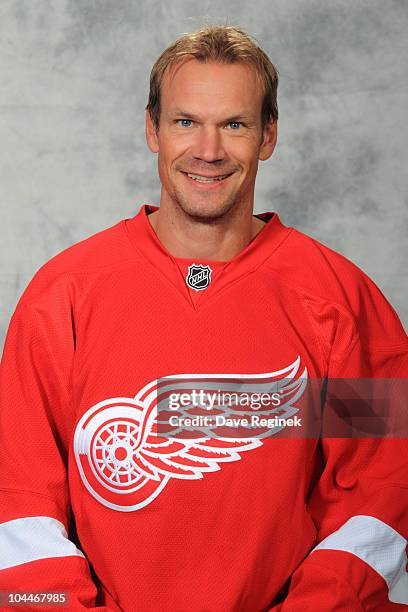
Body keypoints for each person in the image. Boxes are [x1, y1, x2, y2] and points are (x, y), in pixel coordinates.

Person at [0, 24, 407, 612]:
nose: (208, 150)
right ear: (152, 129)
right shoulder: (64, 297)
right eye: (186, 121)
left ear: (268, 135)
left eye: (234, 124)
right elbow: (17, 498)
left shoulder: (340, 304)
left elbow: (381, 489)